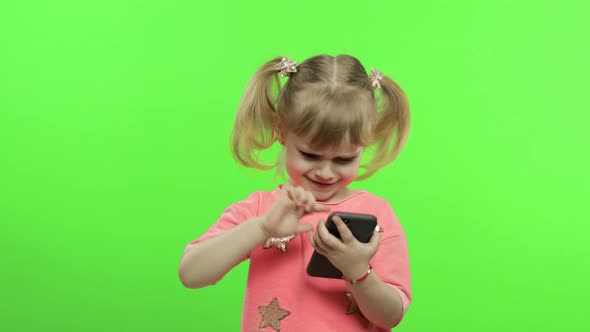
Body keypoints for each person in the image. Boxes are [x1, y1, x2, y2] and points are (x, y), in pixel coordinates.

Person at [178, 54, 412, 331]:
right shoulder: (260, 209)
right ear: (282, 133)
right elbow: (191, 273)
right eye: (310, 155)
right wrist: (263, 227)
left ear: (365, 143)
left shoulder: (378, 214)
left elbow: (390, 316)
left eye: (344, 159)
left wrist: (359, 271)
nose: (325, 172)